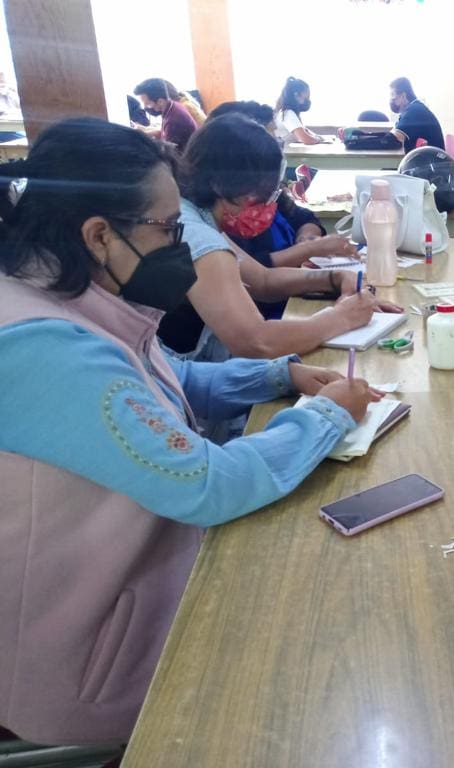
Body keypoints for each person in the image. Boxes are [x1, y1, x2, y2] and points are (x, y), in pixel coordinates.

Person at [0, 117, 382, 746]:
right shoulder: (39, 346)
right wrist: (327, 415)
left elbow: (165, 377)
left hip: (143, 585)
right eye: (168, 228)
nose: (182, 244)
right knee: (329, 641)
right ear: (99, 235)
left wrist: (278, 376)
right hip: (90, 662)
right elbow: (206, 483)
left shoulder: (71, 297)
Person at [167, 113, 398, 363]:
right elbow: (257, 343)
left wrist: (335, 278)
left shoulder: (199, 215)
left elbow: (262, 281)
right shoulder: (199, 236)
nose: (262, 205)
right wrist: (342, 317)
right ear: (227, 185)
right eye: (259, 195)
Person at [204, 102, 359, 319]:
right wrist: (310, 251)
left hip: (293, 296)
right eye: (268, 137)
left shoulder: (265, 192)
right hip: (273, 310)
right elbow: (257, 276)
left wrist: (308, 238)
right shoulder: (221, 216)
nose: (274, 144)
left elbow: (303, 217)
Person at [133, 77, 198, 151]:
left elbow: (167, 153)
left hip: (184, 157)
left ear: (160, 101)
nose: (145, 107)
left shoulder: (173, 120)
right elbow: (163, 133)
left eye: (148, 104)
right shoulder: (172, 106)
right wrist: (143, 131)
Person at [389, 76, 444, 154]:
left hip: (433, 160)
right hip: (429, 157)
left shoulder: (414, 111)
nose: (391, 100)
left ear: (403, 96)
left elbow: (395, 138)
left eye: (393, 95)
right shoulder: (413, 107)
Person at [274, 76, 325, 145]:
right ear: (296, 95)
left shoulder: (285, 112)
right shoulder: (288, 114)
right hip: (285, 151)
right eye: (307, 97)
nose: (308, 100)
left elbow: (304, 130)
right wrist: (318, 139)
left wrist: (317, 137)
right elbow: (307, 140)